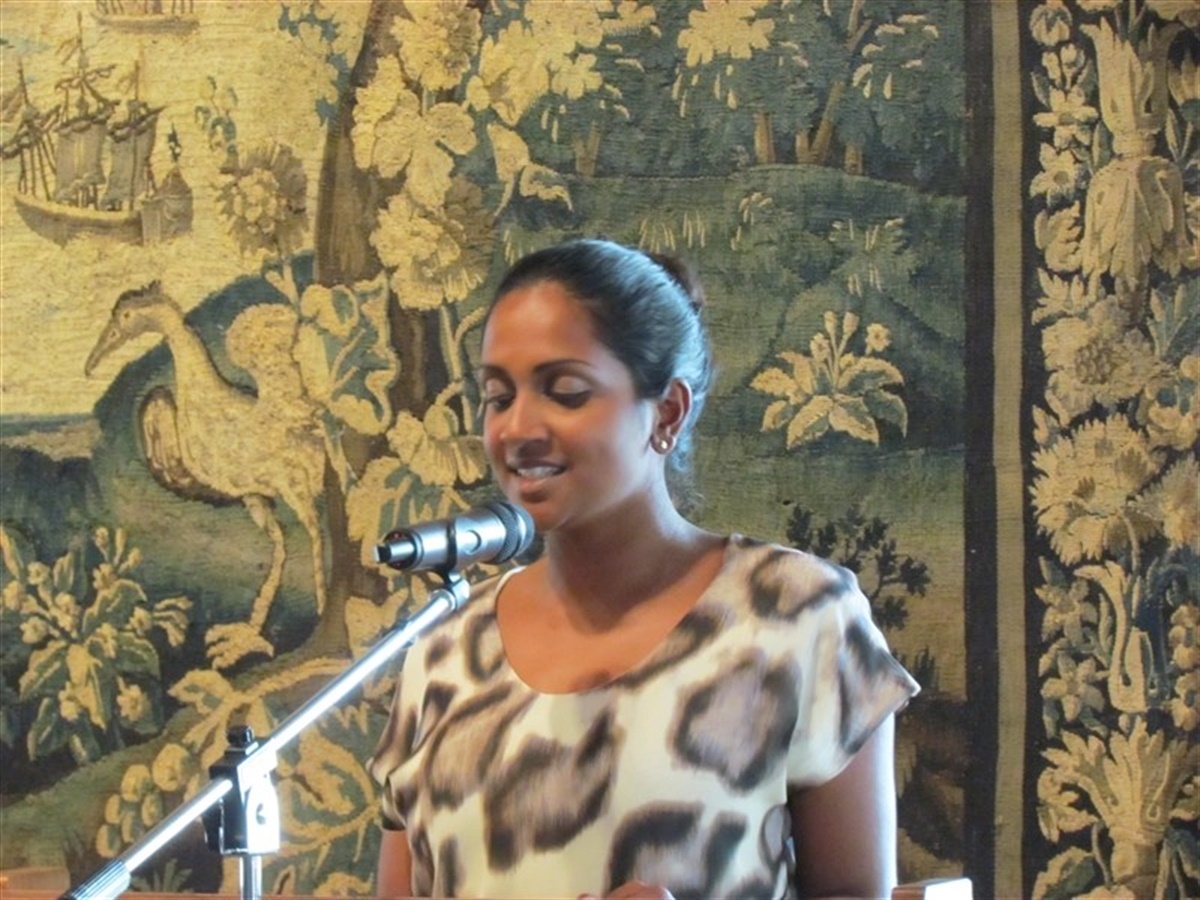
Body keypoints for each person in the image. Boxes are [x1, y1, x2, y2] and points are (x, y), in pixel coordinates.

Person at [369, 238, 920, 899]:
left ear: (667, 412)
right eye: (498, 396)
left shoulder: (798, 615)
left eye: (565, 392)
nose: (517, 429)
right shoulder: (443, 650)